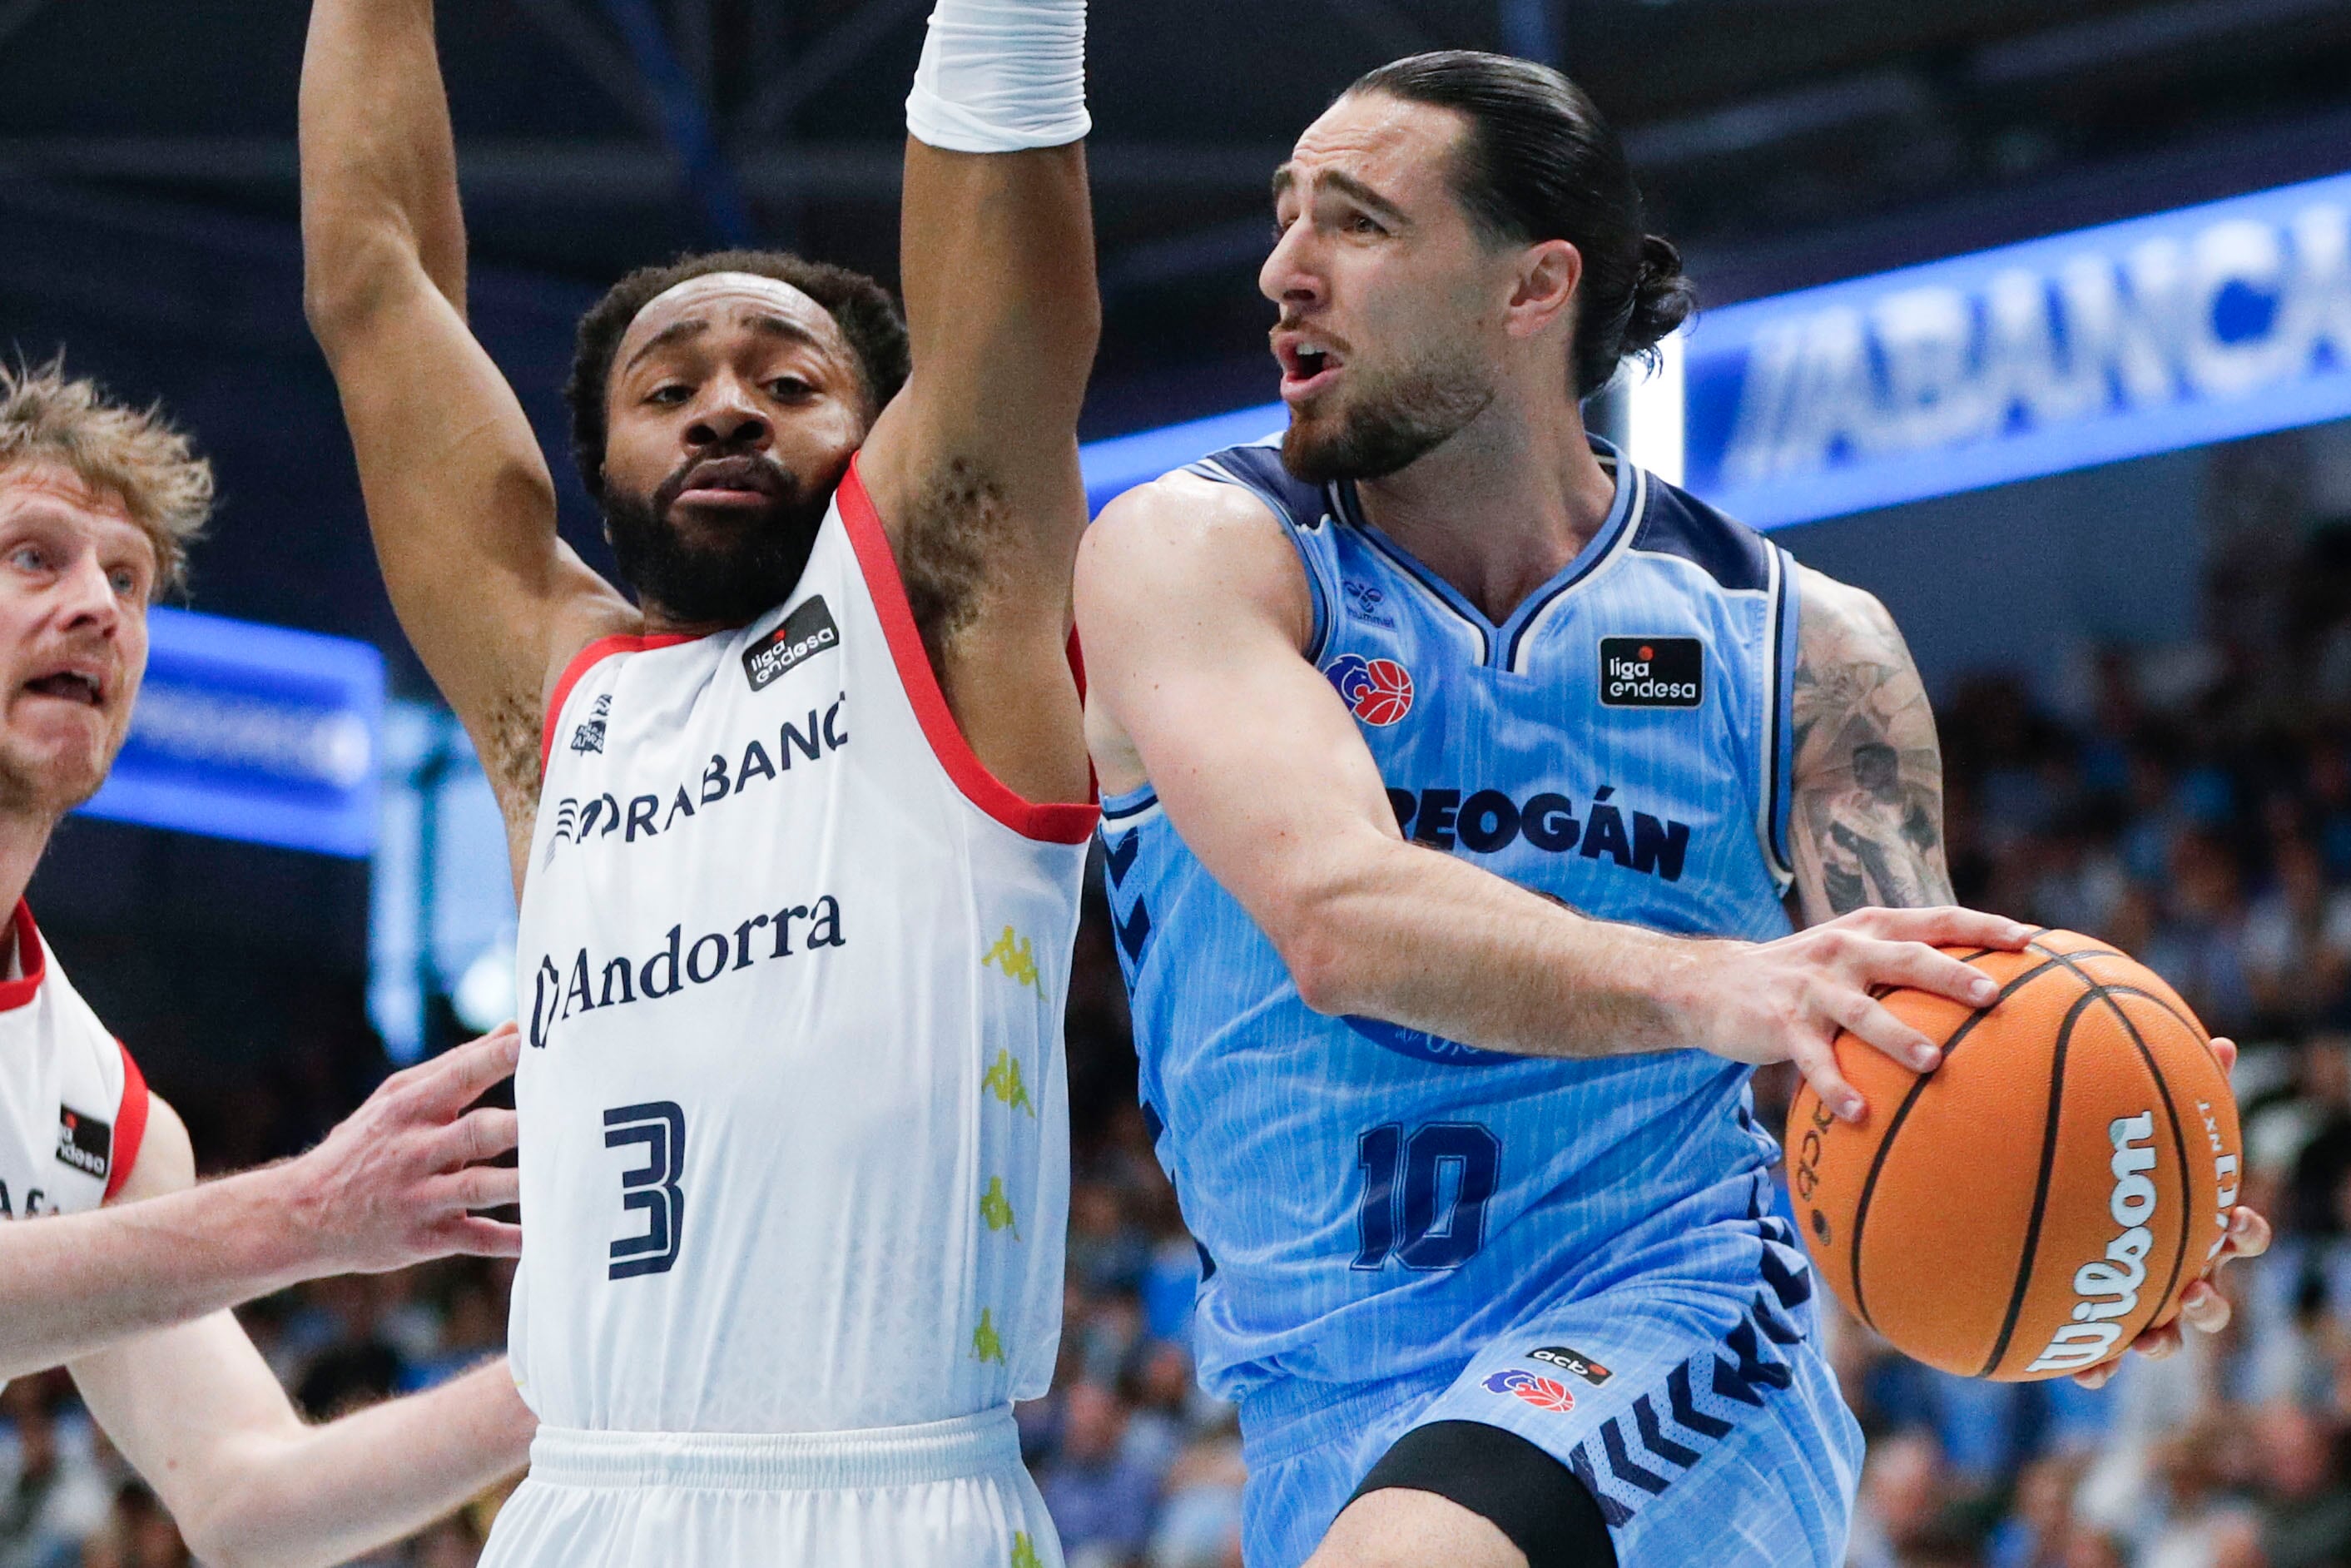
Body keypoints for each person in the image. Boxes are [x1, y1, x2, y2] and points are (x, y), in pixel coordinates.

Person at [1075, 52, 2270, 1568]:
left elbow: (1914, 1048)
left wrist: (2108, 1201)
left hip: (1673, 1323)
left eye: (1356, 224)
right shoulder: (1201, 552)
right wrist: (1726, 982)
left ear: (1533, 287)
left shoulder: (1798, 645)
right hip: (1315, 1400)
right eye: (1284, 217)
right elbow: (1337, 916)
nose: (1282, 271)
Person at [298, 0, 1099, 1556]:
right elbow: (371, 278)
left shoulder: (940, 618)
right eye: (669, 391)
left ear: (885, 437)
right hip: (582, 1500)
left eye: (789, 384)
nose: (726, 404)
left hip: (896, 1497)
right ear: (595, 469)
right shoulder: (557, 699)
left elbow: (1009, 251)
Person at [0, 359, 536, 1564]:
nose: (99, 607)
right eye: (36, 555)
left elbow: (251, 1500)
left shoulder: (105, 1110)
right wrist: (306, 1213)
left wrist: (587, 1372)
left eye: (127, 580)